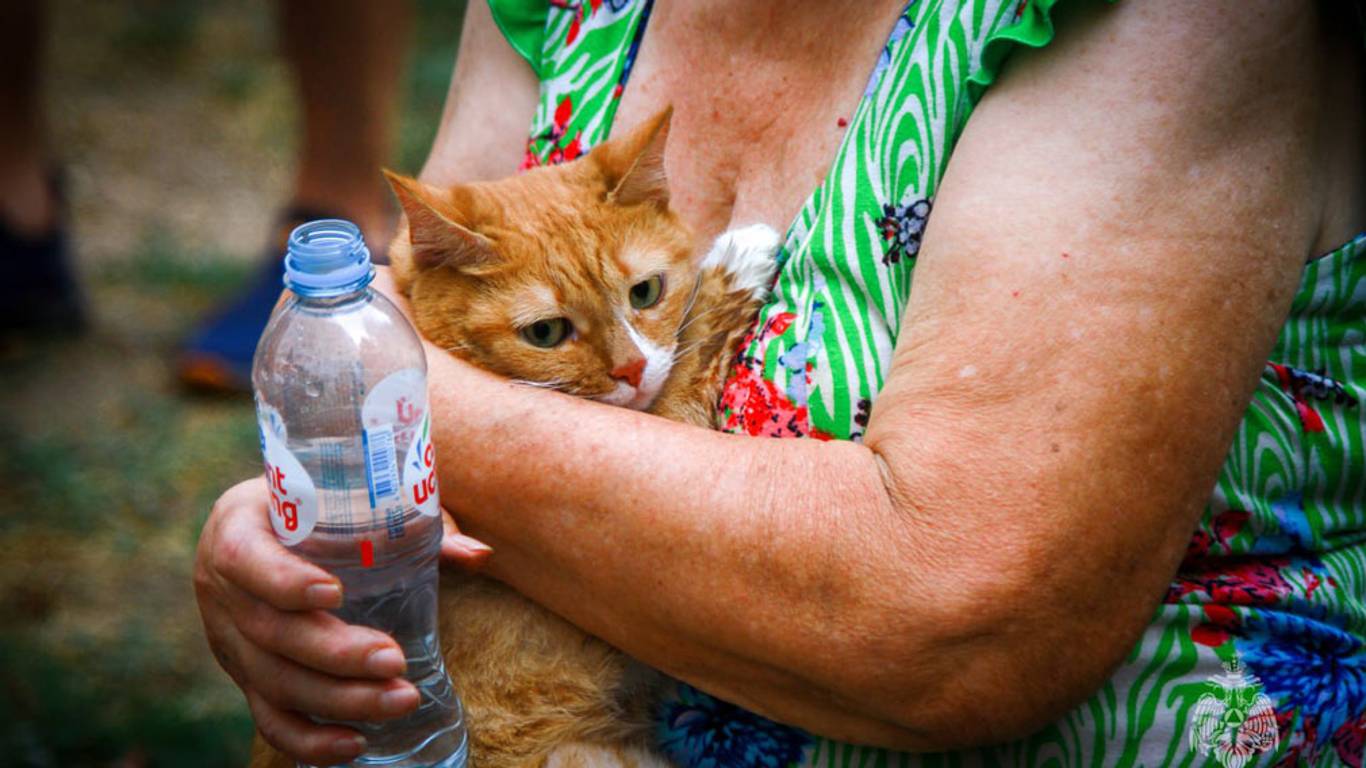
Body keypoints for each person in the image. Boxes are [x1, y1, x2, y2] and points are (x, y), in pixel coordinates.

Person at [194, 1, 1366, 766]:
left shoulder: (1168, 28)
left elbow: (953, 629)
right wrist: (293, 534)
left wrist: (370, 415)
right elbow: (415, 300)